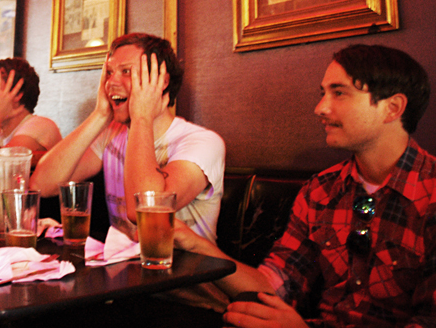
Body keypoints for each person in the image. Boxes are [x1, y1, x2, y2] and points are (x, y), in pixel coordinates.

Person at [174, 44, 435, 328]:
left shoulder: (429, 194)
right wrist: (194, 242)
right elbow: (276, 285)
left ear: (392, 108)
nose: (320, 108)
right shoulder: (321, 190)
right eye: (323, 93)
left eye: (339, 93)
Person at [30, 33, 226, 244]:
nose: (111, 82)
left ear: (161, 81)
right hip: (123, 269)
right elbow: (42, 185)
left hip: (185, 273)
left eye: (126, 72)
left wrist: (142, 116)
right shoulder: (112, 134)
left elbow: (145, 209)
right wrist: (100, 115)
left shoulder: (203, 142)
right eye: (109, 73)